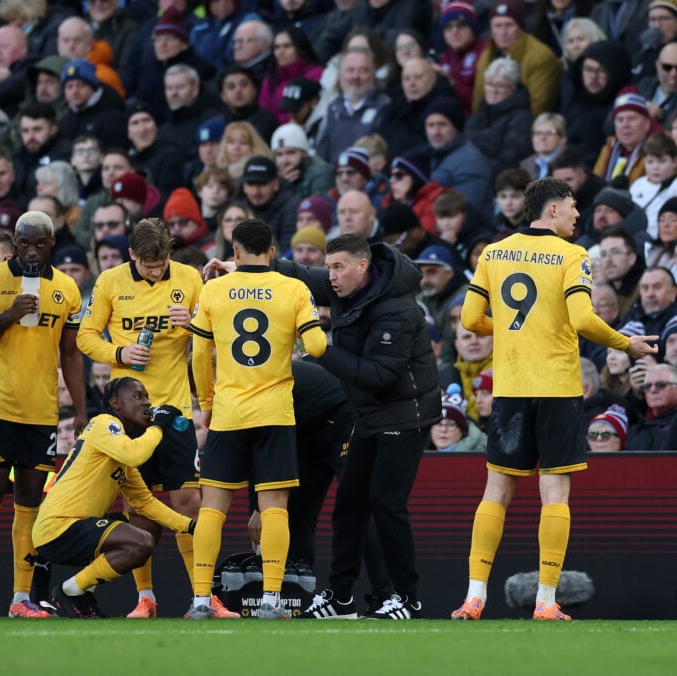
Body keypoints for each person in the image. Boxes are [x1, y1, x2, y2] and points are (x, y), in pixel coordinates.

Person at [453, 177, 658, 622]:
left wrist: (512, 328)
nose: (577, 215)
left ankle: (474, 596)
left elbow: (470, 318)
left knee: (495, 491)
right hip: (558, 386)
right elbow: (584, 319)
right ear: (551, 211)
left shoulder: (493, 252)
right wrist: (625, 344)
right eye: (571, 206)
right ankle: (546, 600)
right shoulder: (572, 255)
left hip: (510, 387)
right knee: (555, 492)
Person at [187, 218, 327, 620]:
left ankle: (200, 600)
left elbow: (199, 355)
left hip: (229, 412)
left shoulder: (214, 289)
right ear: (273, 251)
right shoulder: (294, 288)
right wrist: (302, 338)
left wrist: (208, 401)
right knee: (274, 508)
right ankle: (270, 600)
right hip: (275, 412)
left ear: (234, 252)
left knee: (212, 506)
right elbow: (316, 345)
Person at [76, 217, 212, 619]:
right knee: (140, 507)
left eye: (161, 263)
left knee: (190, 502)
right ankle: (146, 599)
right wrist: (119, 353)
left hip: (175, 409)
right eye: (148, 265)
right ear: (132, 255)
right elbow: (86, 336)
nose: (156, 271)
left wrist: (195, 325)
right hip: (130, 415)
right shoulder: (110, 282)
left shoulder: (189, 278)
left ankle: (203, 597)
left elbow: (214, 333)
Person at [0, 211, 86, 619]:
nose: (31, 251)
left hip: (42, 412)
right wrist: (10, 314)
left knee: (30, 505)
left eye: (39, 244)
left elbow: (70, 354)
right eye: (24, 243)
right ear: (14, 241)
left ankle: (21, 599)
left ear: (52, 244)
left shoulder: (66, 289)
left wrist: (80, 410)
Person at [309, 233, 440, 620]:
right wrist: (246, 269)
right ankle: (341, 596)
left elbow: (381, 375)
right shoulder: (347, 285)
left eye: (337, 267)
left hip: (406, 415)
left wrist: (322, 351)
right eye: (328, 267)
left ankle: (406, 597)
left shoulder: (396, 309)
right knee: (349, 504)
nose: (330, 276)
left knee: (387, 505)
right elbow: (297, 275)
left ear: (362, 266)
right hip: (368, 416)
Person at [32, 377, 194, 619]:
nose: (147, 403)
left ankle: (80, 589)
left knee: (147, 525)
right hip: (59, 527)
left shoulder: (118, 447)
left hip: (79, 525)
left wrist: (189, 526)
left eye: (147, 397)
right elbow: (135, 454)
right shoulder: (103, 423)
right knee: (140, 542)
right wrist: (158, 425)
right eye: (138, 397)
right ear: (115, 403)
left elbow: (144, 502)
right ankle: (70, 591)